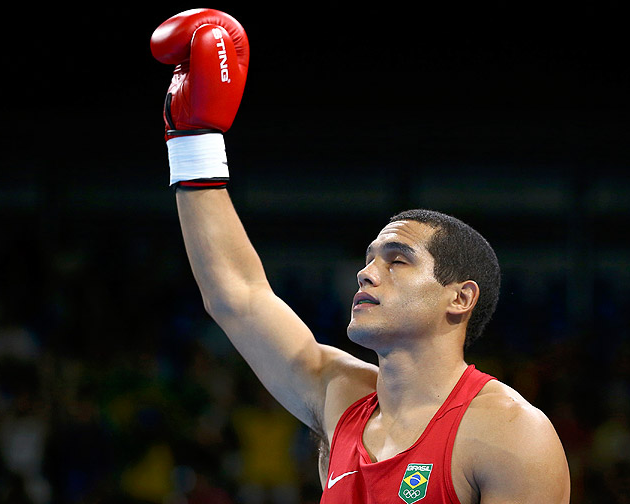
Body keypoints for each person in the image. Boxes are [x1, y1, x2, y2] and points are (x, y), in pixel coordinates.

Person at [151, 9, 571, 503]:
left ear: (460, 298)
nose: (367, 272)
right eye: (370, 257)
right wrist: (193, 141)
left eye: (397, 260)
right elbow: (236, 296)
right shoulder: (340, 396)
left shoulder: (510, 434)